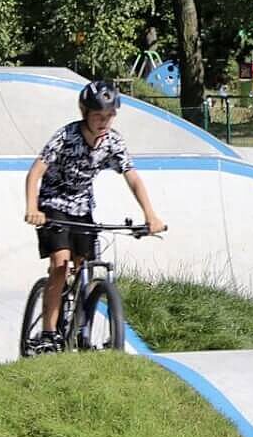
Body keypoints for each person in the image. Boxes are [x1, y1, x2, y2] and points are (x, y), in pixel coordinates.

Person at [22, 80, 166, 353]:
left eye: (109, 116)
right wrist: (33, 208)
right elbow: (35, 173)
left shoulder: (113, 142)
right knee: (61, 264)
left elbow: (132, 176)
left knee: (85, 267)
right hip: (53, 204)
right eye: (98, 116)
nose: (104, 122)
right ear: (84, 112)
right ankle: (49, 333)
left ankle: (79, 328)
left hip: (83, 208)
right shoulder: (66, 136)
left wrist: (150, 214)